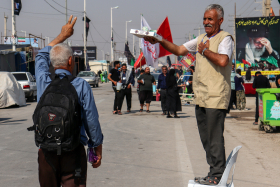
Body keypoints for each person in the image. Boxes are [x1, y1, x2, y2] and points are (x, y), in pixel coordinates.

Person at [144, 4, 234, 185]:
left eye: (210, 19)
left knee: (214, 137)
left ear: (220, 21)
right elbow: (178, 50)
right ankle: (213, 172)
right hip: (201, 96)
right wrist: (159, 39)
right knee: (205, 137)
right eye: (205, 18)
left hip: (216, 96)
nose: (206, 22)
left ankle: (217, 174)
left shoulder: (225, 39)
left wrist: (204, 51)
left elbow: (223, 60)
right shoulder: (201, 39)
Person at [34, 16, 103, 186]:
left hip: (46, 151)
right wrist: (96, 148)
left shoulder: (43, 80)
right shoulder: (80, 85)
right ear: (71, 61)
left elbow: (40, 57)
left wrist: (62, 36)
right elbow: (91, 121)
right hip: (73, 151)